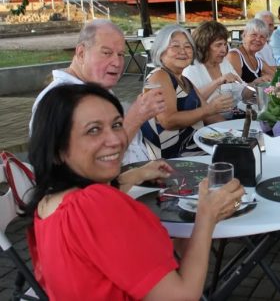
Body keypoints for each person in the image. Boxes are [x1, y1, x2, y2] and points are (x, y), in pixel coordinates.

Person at [26, 83, 244, 300]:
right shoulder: (94, 205)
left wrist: (136, 175)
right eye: (93, 130)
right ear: (56, 148)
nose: (116, 141)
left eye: (117, 124)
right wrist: (207, 216)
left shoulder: (47, 202)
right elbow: (182, 296)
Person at [29, 19, 165, 164]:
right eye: (107, 53)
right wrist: (135, 117)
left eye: (120, 54)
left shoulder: (96, 88)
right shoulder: (58, 99)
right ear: (81, 53)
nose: (117, 63)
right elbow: (74, 166)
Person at [141, 25, 233, 159]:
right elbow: (168, 120)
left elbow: (210, 115)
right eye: (175, 46)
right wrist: (210, 109)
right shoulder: (159, 76)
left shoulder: (185, 81)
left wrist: (233, 133)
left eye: (188, 46)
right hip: (170, 157)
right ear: (161, 51)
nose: (183, 51)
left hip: (192, 146)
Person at [183, 21, 243, 104]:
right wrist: (218, 81)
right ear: (204, 46)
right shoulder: (191, 67)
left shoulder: (223, 63)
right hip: (205, 116)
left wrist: (259, 86)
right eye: (218, 45)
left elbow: (241, 90)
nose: (224, 50)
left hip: (228, 115)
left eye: (225, 44)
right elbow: (191, 101)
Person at [227, 18, 274, 83]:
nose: (258, 39)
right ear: (244, 35)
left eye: (262, 37)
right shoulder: (234, 55)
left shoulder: (258, 60)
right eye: (254, 35)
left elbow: (275, 76)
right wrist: (255, 83)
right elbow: (235, 87)